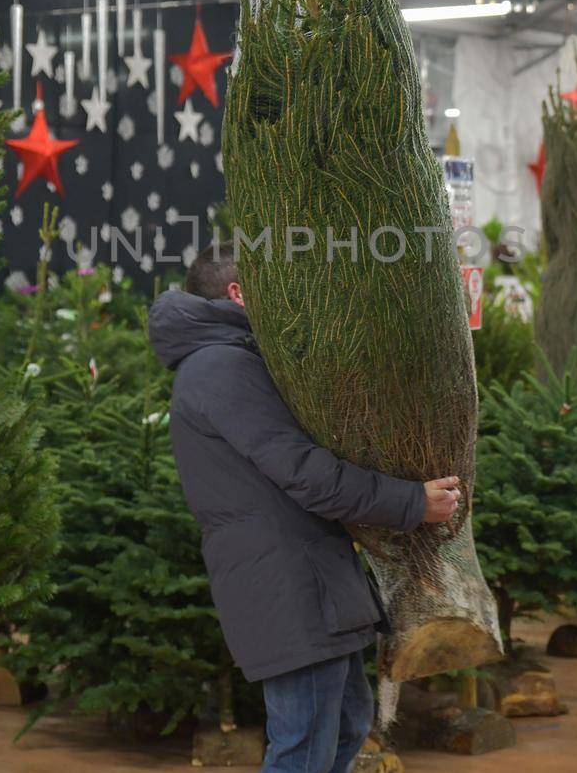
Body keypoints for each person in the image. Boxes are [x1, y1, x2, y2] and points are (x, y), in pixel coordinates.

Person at [149, 241, 461, 773]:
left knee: (342, 726)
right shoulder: (222, 367)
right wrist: (411, 502)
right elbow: (307, 474)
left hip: (306, 577)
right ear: (238, 292)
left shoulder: (229, 359)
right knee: (303, 748)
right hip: (289, 582)